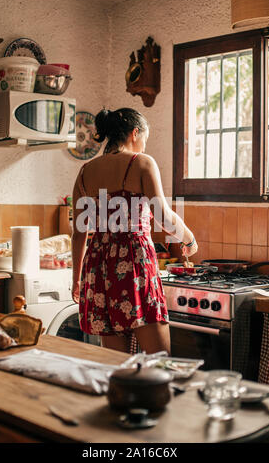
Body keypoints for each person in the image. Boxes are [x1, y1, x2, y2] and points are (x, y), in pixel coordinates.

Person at [72, 108, 197, 355]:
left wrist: (76, 279)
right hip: (133, 262)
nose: (144, 147)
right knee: (160, 360)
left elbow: (79, 233)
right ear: (134, 133)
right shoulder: (141, 163)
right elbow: (163, 217)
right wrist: (189, 238)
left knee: (117, 364)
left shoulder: (85, 171)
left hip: (98, 268)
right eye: (144, 141)